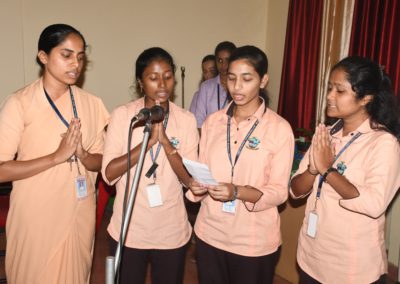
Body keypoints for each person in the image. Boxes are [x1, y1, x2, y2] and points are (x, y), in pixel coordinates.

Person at [0, 23, 109, 283]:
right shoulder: (20, 103)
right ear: (43, 57)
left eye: (80, 57)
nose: (75, 64)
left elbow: (101, 161)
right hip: (35, 215)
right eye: (66, 55)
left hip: (78, 212)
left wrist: (82, 154)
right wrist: (55, 157)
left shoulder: (92, 104)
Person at [186, 45, 295, 284]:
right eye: (231, 78)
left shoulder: (279, 128)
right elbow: (202, 168)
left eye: (247, 79)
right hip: (210, 233)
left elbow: (278, 192)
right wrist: (196, 186)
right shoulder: (213, 123)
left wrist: (237, 191)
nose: (237, 87)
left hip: (253, 241)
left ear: (263, 80)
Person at [290, 56, 400, 284]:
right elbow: (295, 190)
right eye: (329, 88)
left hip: (351, 267)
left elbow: (373, 204)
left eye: (339, 90)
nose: (329, 96)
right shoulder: (326, 134)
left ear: (365, 98)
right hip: (312, 255)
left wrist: (328, 171)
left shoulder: (383, 143)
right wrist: (312, 170)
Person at [102, 47, 199, 284]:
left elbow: (189, 180)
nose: (162, 84)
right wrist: (146, 144)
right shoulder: (124, 116)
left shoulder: (185, 120)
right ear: (140, 82)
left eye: (167, 76)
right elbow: (109, 173)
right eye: (153, 78)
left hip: (170, 230)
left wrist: (166, 144)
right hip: (129, 228)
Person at [192, 41, 236, 130]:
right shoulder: (206, 87)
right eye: (220, 60)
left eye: (227, 60)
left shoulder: (240, 86)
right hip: (209, 140)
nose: (223, 65)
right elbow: (199, 121)